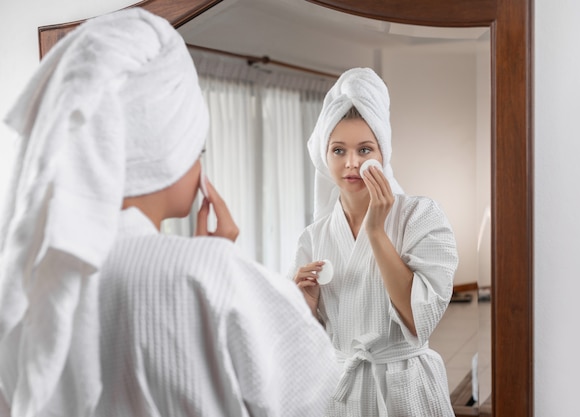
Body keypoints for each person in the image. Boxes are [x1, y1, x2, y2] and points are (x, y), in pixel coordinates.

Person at [0, 8, 339, 417]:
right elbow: (314, 393)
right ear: (167, 149)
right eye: (197, 148)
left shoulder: (28, 277)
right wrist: (216, 262)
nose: (200, 165)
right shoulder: (207, 276)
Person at [289, 67, 459, 417]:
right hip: (340, 390)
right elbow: (310, 345)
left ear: (383, 152)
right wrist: (306, 310)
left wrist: (377, 232)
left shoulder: (422, 217)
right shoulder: (314, 236)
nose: (352, 163)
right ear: (325, 156)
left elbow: (418, 320)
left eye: (364, 149)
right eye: (339, 150)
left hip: (405, 389)